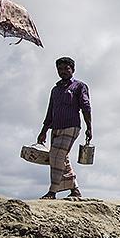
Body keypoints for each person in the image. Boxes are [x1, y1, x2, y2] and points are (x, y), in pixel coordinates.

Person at [37, 57, 92, 199]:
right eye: (60, 69)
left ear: (72, 70)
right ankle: (75, 190)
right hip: (56, 127)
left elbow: (86, 107)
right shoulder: (55, 90)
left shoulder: (79, 86)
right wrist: (43, 131)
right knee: (62, 158)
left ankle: (52, 191)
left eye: (66, 68)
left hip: (71, 126)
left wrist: (89, 127)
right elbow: (50, 111)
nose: (63, 72)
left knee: (56, 155)